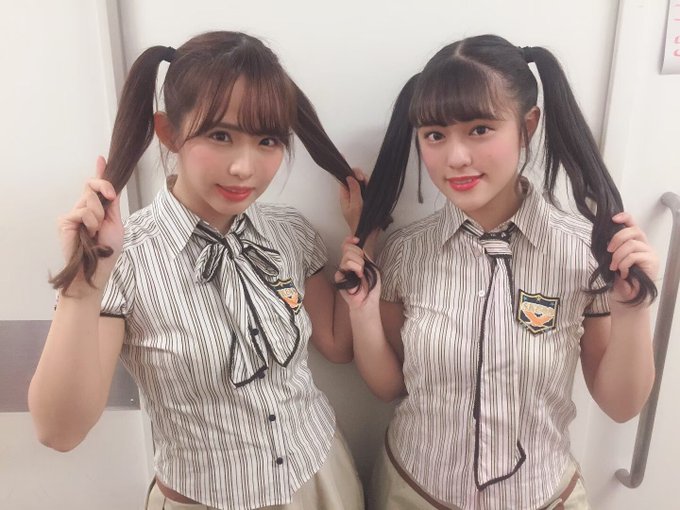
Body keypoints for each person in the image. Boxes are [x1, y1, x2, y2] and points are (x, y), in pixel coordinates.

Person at [29, 31, 364, 510]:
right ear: (169, 132)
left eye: (267, 141)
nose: (244, 167)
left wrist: (364, 233)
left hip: (323, 481)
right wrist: (84, 282)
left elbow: (336, 343)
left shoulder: (289, 231)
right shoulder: (125, 259)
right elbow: (59, 432)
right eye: (220, 135)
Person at [337, 34, 658, 509]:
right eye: (435, 135)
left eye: (480, 129)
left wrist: (633, 310)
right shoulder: (406, 251)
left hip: (543, 496)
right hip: (415, 493)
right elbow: (390, 387)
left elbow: (620, 405)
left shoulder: (584, 253)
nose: (456, 158)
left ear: (528, 126)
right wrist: (361, 312)